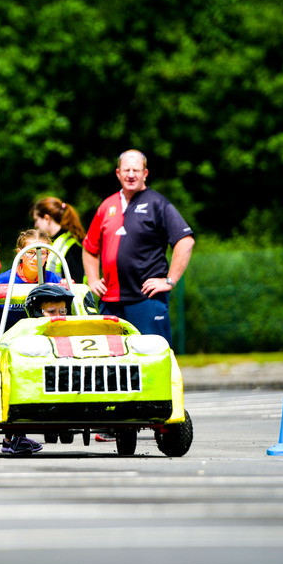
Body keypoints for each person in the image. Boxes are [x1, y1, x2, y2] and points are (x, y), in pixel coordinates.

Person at [82, 149, 194, 442]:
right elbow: (89, 247)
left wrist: (169, 280)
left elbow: (185, 240)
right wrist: (92, 278)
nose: (131, 174)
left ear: (146, 173)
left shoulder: (158, 204)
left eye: (137, 169)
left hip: (145, 300)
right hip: (111, 301)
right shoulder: (106, 205)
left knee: (153, 357)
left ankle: (165, 416)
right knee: (110, 360)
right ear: (118, 173)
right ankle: (114, 420)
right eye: (125, 170)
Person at [31, 197, 87, 282]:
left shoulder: (72, 246)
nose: (35, 225)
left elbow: (76, 284)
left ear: (46, 218)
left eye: (36, 220)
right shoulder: (54, 242)